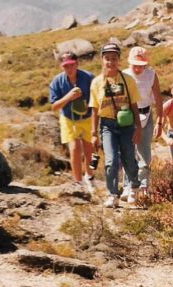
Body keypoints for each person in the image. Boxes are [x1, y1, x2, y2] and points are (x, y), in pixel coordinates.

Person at [89, 42, 142, 208]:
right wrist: (93, 134)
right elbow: (94, 109)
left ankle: (134, 186)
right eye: (107, 58)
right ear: (102, 60)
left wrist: (138, 128)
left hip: (126, 125)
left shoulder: (128, 80)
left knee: (129, 158)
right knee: (111, 160)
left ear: (119, 60)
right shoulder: (96, 83)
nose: (110, 62)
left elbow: (134, 105)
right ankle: (113, 194)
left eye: (114, 58)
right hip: (107, 126)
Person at [49, 51, 97, 192]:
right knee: (75, 149)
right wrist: (69, 97)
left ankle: (90, 177)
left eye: (71, 65)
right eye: (65, 66)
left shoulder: (89, 78)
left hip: (88, 118)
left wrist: (90, 106)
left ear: (77, 64)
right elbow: (54, 107)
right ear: (61, 66)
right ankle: (78, 183)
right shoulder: (57, 82)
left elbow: (98, 97)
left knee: (90, 151)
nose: (69, 68)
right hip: (68, 118)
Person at [120, 46, 163, 198]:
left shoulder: (151, 75)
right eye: (135, 65)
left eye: (141, 65)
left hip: (146, 113)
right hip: (128, 116)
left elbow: (158, 98)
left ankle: (143, 185)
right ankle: (128, 185)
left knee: (144, 152)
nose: (138, 69)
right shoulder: (124, 75)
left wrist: (160, 121)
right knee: (128, 151)